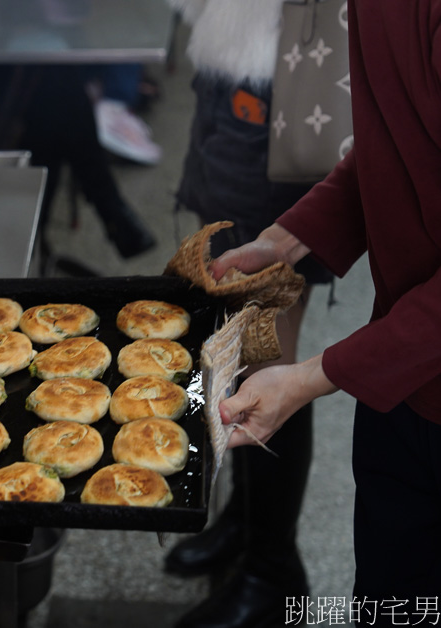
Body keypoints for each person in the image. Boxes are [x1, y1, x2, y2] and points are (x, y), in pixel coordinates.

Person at [203, 0, 441, 625]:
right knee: (393, 603)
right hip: (403, 387)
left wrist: (311, 378)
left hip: (416, 355)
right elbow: (393, 142)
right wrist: (284, 241)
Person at [159, 1, 336, 626]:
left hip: (286, 77)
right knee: (231, 342)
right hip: (230, 54)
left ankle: (274, 569)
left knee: (268, 354)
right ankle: (245, 520)